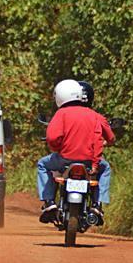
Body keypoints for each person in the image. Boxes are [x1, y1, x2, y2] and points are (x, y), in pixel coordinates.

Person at [38, 79, 115, 223]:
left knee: (42, 164)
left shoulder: (61, 114)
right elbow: (110, 137)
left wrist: (57, 148)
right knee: (106, 168)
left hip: (64, 160)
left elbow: (52, 137)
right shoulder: (95, 116)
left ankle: (49, 202)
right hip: (90, 162)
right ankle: (98, 204)